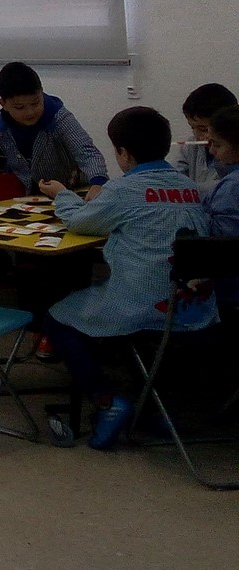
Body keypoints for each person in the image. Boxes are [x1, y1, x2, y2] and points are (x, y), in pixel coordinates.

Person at [41, 106, 216, 449]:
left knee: (56, 318)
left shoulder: (124, 189)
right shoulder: (190, 188)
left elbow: (80, 222)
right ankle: (152, 409)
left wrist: (61, 194)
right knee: (126, 323)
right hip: (196, 310)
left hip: (143, 308)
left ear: (123, 153)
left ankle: (106, 400)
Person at [0, 62, 108, 198]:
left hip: (69, 189)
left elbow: (86, 151)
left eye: (35, 103)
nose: (30, 112)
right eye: (19, 107)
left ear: (41, 93)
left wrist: (98, 182)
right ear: (3, 104)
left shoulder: (59, 118)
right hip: (26, 195)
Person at [199, 105, 239, 308]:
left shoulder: (232, 186)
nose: (212, 151)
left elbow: (221, 245)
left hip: (230, 294)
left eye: (217, 144)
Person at [177, 83, 237, 190]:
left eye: (204, 129)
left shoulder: (232, 152)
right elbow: (175, 178)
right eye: (192, 128)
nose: (197, 136)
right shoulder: (190, 146)